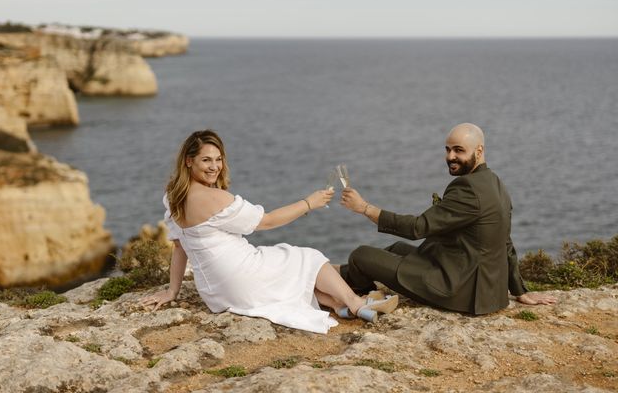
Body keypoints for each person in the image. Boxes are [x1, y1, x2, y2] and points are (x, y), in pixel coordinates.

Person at [141, 130, 398, 333]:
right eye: (206, 160)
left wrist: (172, 291)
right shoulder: (214, 197)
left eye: (218, 159)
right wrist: (310, 203)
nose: (214, 166)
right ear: (189, 161)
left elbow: (179, 246)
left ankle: (337, 305)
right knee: (305, 257)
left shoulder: (173, 196)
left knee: (285, 267)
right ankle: (356, 303)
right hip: (240, 278)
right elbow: (267, 222)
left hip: (216, 293)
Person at [338, 123, 557, 315]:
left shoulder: (468, 188)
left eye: (458, 150)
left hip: (458, 289)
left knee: (361, 255)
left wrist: (364, 208)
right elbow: (505, 241)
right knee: (396, 247)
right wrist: (518, 290)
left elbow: (417, 227)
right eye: (448, 149)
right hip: (485, 290)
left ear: (479, 151)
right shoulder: (495, 183)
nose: (450, 156)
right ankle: (339, 277)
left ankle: (344, 286)